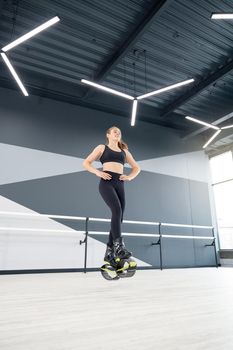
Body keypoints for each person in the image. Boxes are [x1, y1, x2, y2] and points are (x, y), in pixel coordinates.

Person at [82, 125, 141, 267]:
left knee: (119, 216)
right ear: (108, 135)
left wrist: (130, 177)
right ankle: (119, 247)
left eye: (119, 132)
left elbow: (137, 167)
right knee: (116, 210)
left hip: (120, 184)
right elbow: (86, 162)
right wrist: (98, 172)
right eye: (115, 132)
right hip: (106, 183)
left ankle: (109, 252)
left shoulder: (124, 151)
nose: (117, 133)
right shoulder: (102, 148)